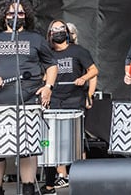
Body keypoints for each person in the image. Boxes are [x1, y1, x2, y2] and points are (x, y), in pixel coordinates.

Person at [0, 0, 58, 195]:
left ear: (27, 16)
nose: (16, 16)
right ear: (4, 16)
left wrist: (48, 86)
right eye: (12, 13)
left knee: (28, 147)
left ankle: (28, 187)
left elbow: (51, 65)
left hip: (29, 101)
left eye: (21, 13)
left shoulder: (36, 39)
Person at [40, 19, 99, 195]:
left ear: (66, 32)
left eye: (61, 28)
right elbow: (43, 75)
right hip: (53, 102)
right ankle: (50, 185)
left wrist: (84, 79)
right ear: (49, 34)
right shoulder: (47, 53)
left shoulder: (78, 51)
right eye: (54, 29)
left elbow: (94, 70)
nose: (58, 31)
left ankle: (80, 181)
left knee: (76, 142)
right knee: (49, 143)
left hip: (74, 102)